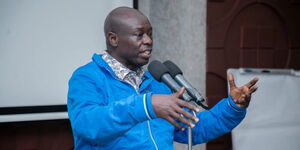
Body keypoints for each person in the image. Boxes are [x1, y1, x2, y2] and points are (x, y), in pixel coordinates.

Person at [67, 7, 259, 150]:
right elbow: (88, 125)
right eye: (139, 35)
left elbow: (195, 128)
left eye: (150, 34)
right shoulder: (87, 77)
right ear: (113, 39)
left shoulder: (157, 81)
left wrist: (233, 106)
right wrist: (146, 106)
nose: (149, 41)